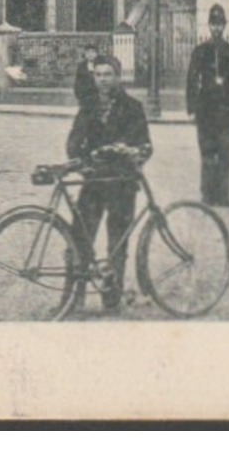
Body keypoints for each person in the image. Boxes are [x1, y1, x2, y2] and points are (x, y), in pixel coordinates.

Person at [66, 56, 153, 312]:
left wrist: (132, 151)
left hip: (122, 184)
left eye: (107, 74)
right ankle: (73, 299)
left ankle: (111, 300)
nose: (102, 80)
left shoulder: (132, 108)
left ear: (118, 76)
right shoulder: (88, 107)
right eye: (98, 75)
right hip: (93, 183)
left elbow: (145, 145)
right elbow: (73, 142)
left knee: (118, 242)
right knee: (79, 239)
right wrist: (82, 159)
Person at [185, 3, 229, 207]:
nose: (217, 28)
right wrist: (192, 108)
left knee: (226, 153)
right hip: (206, 109)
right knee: (208, 152)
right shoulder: (200, 51)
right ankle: (208, 194)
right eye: (214, 24)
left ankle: (223, 195)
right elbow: (191, 79)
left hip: (227, 110)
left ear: (225, 26)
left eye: (220, 24)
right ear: (209, 26)